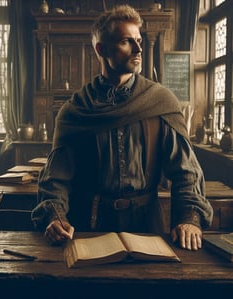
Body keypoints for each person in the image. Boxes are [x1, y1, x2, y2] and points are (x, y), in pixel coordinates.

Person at [31, 4, 213, 250]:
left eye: (139, 40)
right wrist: (55, 217)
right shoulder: (76, 110)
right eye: (127, 41)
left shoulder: (161, 102)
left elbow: (186, 172)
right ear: (101, 48)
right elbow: (55, 180)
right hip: (88, 228)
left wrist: (189, 219)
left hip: (148, 227)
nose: (139, 48)